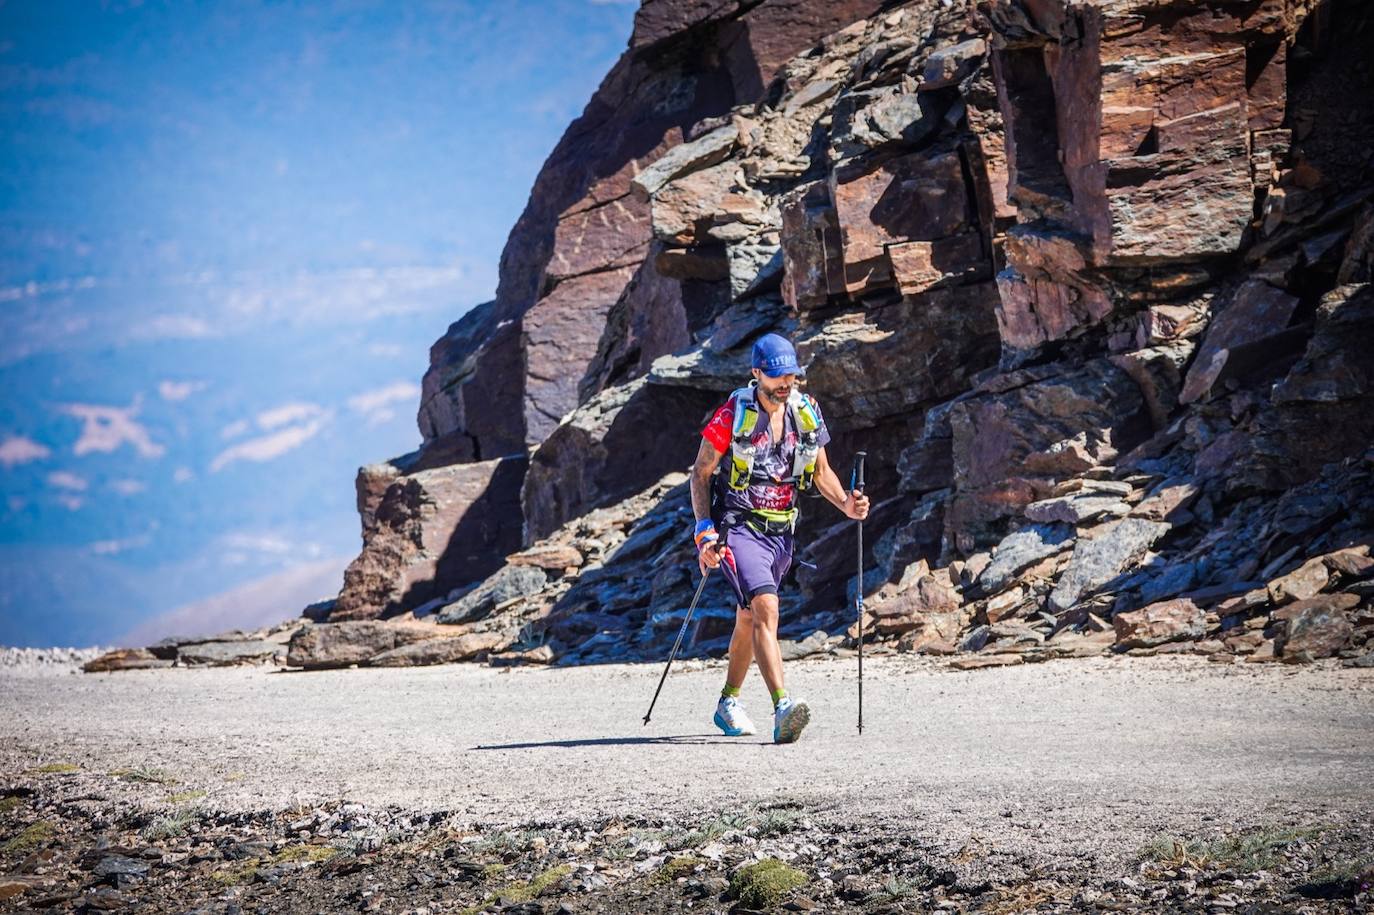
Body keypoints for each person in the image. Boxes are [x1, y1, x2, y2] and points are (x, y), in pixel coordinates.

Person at [690, 332, 870, 744]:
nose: (784, 384)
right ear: (757, 374)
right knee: (766, 606)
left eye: (790, 375)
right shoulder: (733, 413)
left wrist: (846, 503)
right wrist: (704, 531)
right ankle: (783, 707)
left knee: (749, 617)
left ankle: (728, 701)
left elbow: (822, 472)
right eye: (776, 377)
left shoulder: (805, 412)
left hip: (782, 532)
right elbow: (701, 472)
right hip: (739, 527)